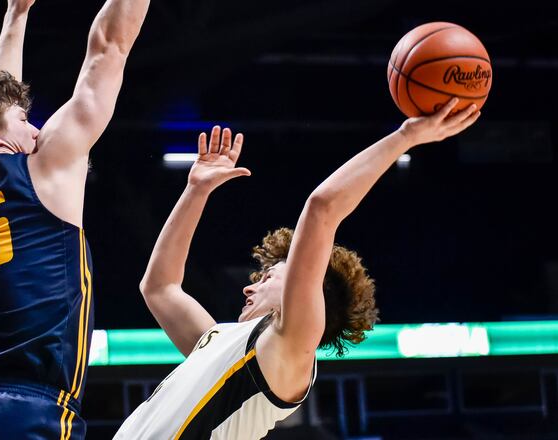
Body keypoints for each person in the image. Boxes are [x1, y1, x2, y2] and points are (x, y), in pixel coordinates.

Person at [114, 98, 480, 439]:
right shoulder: (221, 343)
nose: (249, 287)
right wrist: (195, 191)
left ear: (309, 294)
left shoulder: (288, 348)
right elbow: (159, 287)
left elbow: (322, 206)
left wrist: (406, 136)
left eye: (269, 277)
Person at [0, 0, 149, 438]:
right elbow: (110, 48)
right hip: (27, 409)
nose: (36, 130)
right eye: (25, 119)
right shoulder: (47, 167)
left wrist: (16, 13)